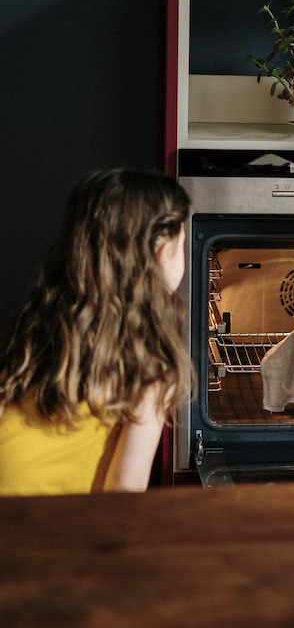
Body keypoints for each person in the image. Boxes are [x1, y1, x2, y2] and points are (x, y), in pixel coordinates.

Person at [0, 168, 192, 495]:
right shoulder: (151, 367)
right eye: (183, 241)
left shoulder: (45, 323)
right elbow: (123, 490)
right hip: (45, 527)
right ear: (162, 254)